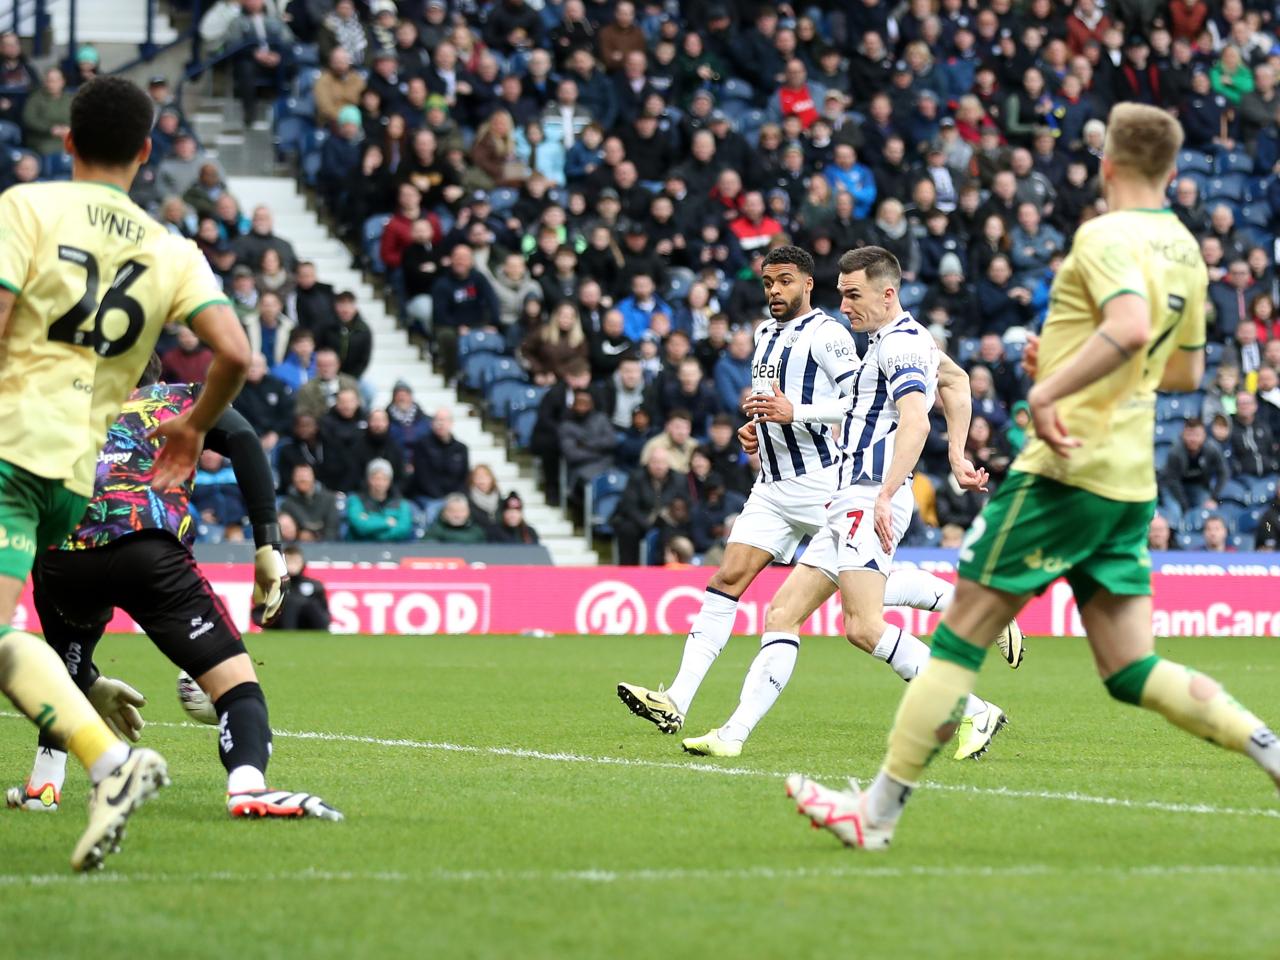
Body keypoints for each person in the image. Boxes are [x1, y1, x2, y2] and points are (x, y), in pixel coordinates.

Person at [786, 104, 1280, 856]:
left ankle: (875, 813)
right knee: (1129, 666)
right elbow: (1180, 370)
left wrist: (1048, 391)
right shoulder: (1185, 249)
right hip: (1128, 478)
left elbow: (1128, 330)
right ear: (1173, 170)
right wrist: (1066, 363)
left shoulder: (1106, 235)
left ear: (1108, 166)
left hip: (1063, 470)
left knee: (955, 644)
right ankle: (1268, 748)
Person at [618, 246, 1015, 756]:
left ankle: (973, 707)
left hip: (862, 493)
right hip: (844, 494)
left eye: (853, 295)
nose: (844, 306)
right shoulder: (897, 339)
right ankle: (732, 735)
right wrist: (958, 456)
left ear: (886, 293)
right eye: (842, 293)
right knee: (783, 613)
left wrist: (887, 492)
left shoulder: (894, 344)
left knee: (864, 626)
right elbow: (956, 382)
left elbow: (916, 419)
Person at [0, 76, 251, 871]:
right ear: (147, 154)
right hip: (73, 477)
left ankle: (108, 760)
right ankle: (89, 722)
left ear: (66, 141)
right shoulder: (172, 250)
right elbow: (238, 353)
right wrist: (193, 425)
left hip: (10, 443)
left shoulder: (27, 207)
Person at [7, 355, 339, 822]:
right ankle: (247, 785)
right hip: (148, 548)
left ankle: (45, 783)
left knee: (62, 667)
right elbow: (243, 438)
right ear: (157, 378)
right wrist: (269, 543)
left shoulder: (63, 410)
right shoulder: (178, 397)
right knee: (236, 686)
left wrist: (86, 682)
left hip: (61, 559)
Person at [346, 458, 413, 542]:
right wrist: (387, 522)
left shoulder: (402, 503)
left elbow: (403, 530)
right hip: (359, 549)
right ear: (368, 479)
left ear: (390, 481)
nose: (379, 483)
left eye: (384, 479)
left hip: (393, 549)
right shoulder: (355, 500)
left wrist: (370, 520)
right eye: (376, 478)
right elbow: (360, 527)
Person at [266, 546, 331, 631]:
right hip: (281, 625)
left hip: (310, 627)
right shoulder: (274, 586)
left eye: (296, 561)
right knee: (289, 603)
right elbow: (263, 615)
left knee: (310, 604)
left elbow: (323, 615)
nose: (293, 565)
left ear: (302, 563)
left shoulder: (315, 586)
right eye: (289, 561)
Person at [279, 463, 341, 541]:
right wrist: (299, 535)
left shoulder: (329, 500)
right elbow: (287, 532)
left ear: (313, 478)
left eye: (306, 476)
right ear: (293, 479)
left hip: (326, 546)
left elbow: (332, 530)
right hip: (298, 546)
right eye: (299, 477)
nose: (303, 480)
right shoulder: (287, 504)